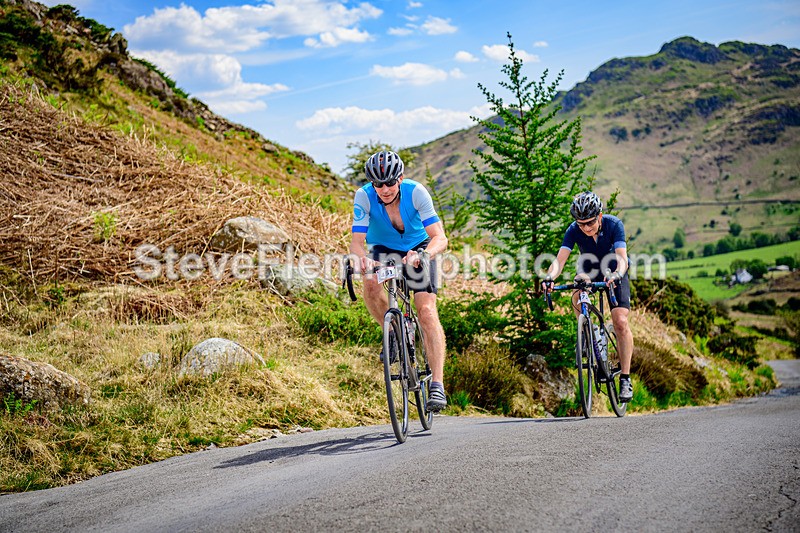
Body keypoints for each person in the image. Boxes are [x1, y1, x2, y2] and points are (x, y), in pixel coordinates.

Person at [349, 150, 449, 412]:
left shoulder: (417, 192)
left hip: (419, 247)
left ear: (400, 178)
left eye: (390, 183)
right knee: (370, 282)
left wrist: (425, 255)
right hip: (383, 248)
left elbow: (440, 237)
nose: (384, 189)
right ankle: (396, 329)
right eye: (378, 184)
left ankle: (437, 384)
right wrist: (363, 260)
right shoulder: (364, 197)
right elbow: (357, 244)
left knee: (426, 311)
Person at [541, 191, 634, 402]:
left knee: (620, 321)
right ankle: (587, 331)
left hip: (614, 269)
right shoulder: (574, 230)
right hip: (590, 269)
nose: (585, 227)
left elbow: (622, 258)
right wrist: (549, 277)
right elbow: (560, 260)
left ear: (599, 216)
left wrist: (617, 274)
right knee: (578, 284)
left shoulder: (614, 224)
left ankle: (626, 378)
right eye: (581, 223)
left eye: (590, 222)